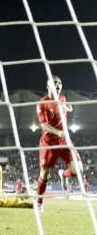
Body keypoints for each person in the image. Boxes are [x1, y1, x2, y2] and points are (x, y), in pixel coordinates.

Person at [35, 76, 82, 211]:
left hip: (64, 141)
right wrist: (59, 133)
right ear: (48, 86)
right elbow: (44, 125)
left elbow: (61, 109)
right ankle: (39, 203)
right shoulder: (42, 103)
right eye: (54, 83)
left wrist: (68, 109)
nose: (58, 85)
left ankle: (63, 175)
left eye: (60, 83)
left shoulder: (63, 99)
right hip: (49, 143)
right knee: (45, 175)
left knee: (78, 169)